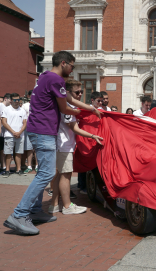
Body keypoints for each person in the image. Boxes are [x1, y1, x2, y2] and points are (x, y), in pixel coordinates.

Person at [3, 51, 100, 235]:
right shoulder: (55, 80)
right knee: (47, 173)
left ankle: (35, 211)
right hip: (43, 130)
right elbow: (65, 107)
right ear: (63, 63)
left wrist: (90, 107)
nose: (72, 70)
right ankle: (19, 214)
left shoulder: (46, 77)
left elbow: (69, 99)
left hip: (40, 129)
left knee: (43, 172)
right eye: (72, 66)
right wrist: (83, 113)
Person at [49, 79, 103, 215]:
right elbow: (74, 128)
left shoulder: (63, 104)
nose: (79, 94)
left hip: (59, 143)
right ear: (67, 92)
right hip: (64, 144)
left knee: (58, 175)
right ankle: (67, 206)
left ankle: (54, 205)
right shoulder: (67, 107)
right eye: (77, 92)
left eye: (81, 92)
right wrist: (92, 136)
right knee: (66, 175)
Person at [2, 93, 27, 177]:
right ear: (11, 100)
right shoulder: (6, 109)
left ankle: (18, 169)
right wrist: (13, 132)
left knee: (19, 153)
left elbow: (25, 123)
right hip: (9, 135)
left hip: (20, 135)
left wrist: (19, 132)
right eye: (15, 100)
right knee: (8, 153)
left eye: (18, 100)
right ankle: (7, 170)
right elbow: (4, 122)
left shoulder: (22, 110)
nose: (17, 102)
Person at [22, 90, 38, 174]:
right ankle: (29, 166)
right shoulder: (25, 105)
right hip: (28, 129)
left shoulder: (40, 104)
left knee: (37, 148)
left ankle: (37, 166)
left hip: (38, 129)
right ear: (29, 96)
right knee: (29, 149)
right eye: (32, 95)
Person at [0, 93, 12, 173]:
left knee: (3, 150)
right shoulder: (1, 106)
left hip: (5, 133)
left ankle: (3, 166)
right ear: (5, 99)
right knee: (1, 150)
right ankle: (3, 166)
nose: (11, 102)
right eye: (10, 100)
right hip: (1, 132)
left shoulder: (7, 107)